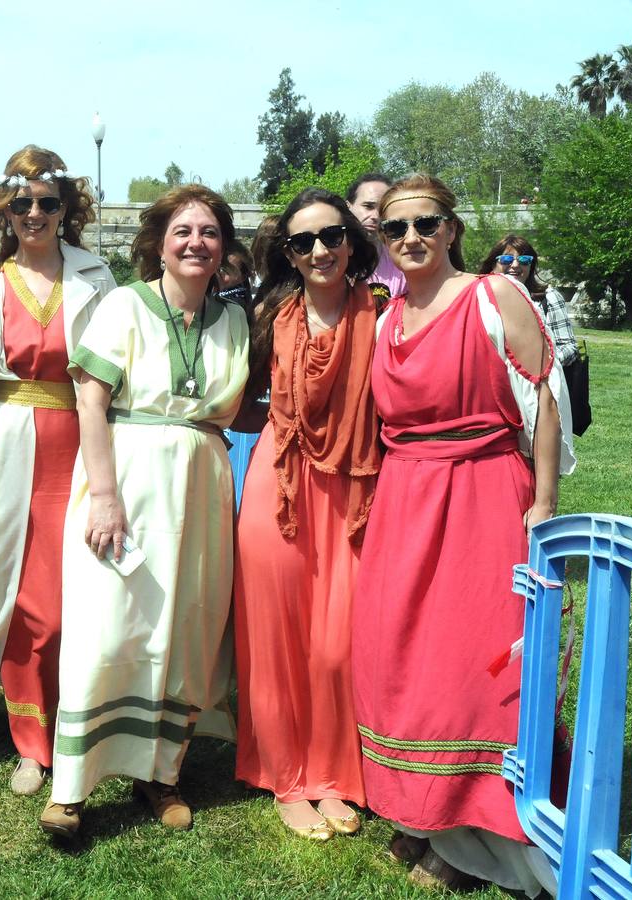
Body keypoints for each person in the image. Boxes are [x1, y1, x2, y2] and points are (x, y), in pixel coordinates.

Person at [352, 175, 574, 895]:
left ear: (450, 229)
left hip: (482, 494)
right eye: (395, 229)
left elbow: (542, 397)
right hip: (406, 501)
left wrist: (542, 500)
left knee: (478, 668)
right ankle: (428, 814)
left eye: (425, 224)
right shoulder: (387, 316)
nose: (410, 239)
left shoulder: (492, 296)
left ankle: (485, 830)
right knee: (408, 662)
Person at [41, 185, 249, 839]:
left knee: (184, 627)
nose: (195, 243)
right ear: (158, 241)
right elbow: (91, 402)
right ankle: (71, 788)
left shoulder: (236, 321)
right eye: (182, 230)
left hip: (201, 484)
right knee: (109, 625)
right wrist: (102, 494)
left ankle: (160, 777)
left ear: (223, 248)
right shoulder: (122, 306)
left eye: (209, 232)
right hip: (125, 476)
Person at [0, 146, 114, 796]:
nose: (33, 214)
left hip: (75, 443)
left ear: (66, 209)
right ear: (3, 211)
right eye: (21, 203)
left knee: (67, 601)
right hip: (0, 446)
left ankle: (74, 723)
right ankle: (28, 742)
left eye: (46, 202)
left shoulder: (98, 278)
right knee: (16, 600)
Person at [232, 188, 381, 842]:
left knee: (335, 645)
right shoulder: (268, 316)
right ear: (286, 253)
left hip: (352, 489)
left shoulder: (382, 315)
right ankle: (286, 778)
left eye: (330, 236)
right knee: (274, 638)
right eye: (302, 242)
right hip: (280, 485)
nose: (318, 250)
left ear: (350, 239)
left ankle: (333, 774)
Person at [477, 234, 578, 367]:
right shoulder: (478, 297)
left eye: (524, 260)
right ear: (493, 264)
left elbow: (568, 347)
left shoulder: (548, 297)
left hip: (536, 381)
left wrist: (541, 366)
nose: (515, 265)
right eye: (506, 259)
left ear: (531, 265)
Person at [345, 173, 406, 298]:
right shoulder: (329, 257)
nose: (375, 216)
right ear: (348, 207)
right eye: (368, 206)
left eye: (382, 209)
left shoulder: (401, 261)